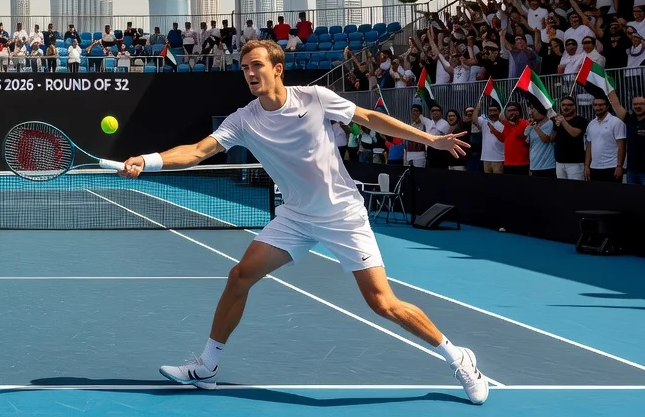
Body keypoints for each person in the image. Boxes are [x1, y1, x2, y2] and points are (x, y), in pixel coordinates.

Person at [120, 40, 488, 404]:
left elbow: (370, 117)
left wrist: (429, 140)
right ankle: (207, 368)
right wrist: (148, 160)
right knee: (239, 277)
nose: (250, 72)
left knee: (382, 303)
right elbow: (198, 151)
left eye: (257, 65)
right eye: (245, 67)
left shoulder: (314, 98)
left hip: (343, 216)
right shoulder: (244, 119)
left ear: (277, 69)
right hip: (295, 217)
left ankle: (459, 358)